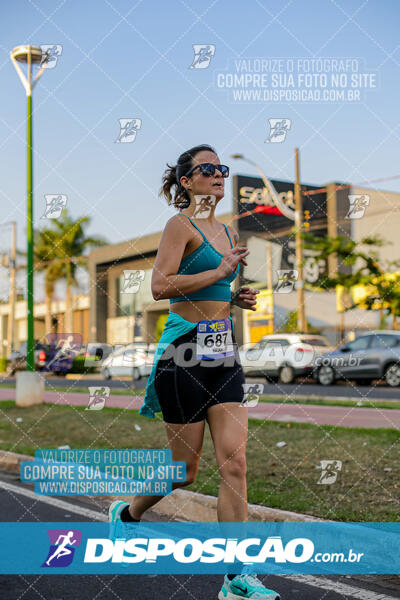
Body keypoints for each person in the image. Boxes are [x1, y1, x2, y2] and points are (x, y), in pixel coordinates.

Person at [109, 144, 281, 599]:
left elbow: (214, 287)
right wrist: (219, 273)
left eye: (222, 169)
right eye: (208, 169)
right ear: (187, 181)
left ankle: (237, 578)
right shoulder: (178, 225)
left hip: (222, 352)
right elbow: (161, 285)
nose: (219, 175)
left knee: (236, 463)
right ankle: (127, 514)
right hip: (182, 354)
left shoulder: (225, 231)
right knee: (183, 471)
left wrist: (233, 296)